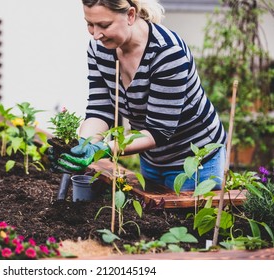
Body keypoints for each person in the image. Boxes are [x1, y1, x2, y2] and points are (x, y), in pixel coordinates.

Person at [49, 0, 227, 192]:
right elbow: (100, 110)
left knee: (188, 221)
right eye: (90, 24)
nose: (96, 34)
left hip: (195, 161)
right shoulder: (100, 49)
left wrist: (101, 149)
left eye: (105, 25)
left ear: (131, 15)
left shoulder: (167, 53)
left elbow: (159, 130)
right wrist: (81, 146)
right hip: (151, 158)